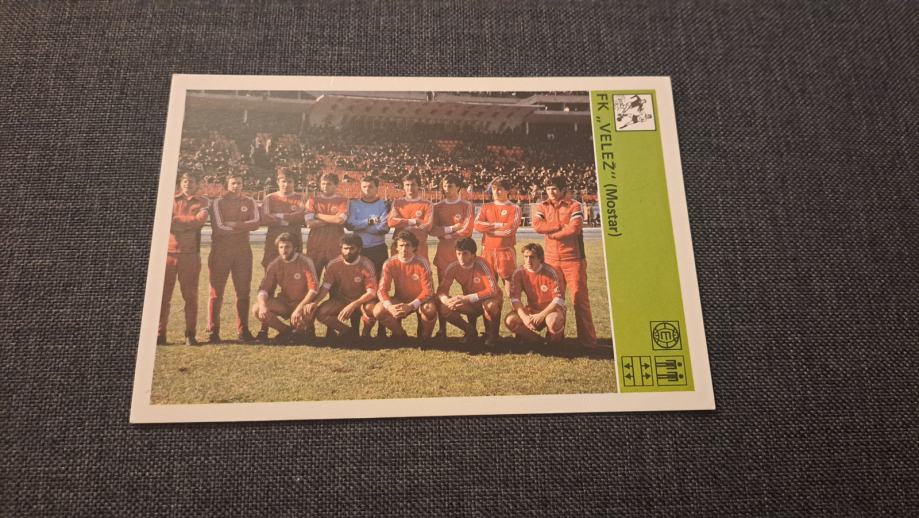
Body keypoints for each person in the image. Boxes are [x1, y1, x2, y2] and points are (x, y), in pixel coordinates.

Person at [531, 176, 598, 346]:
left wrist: (552, 234)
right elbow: (537, 225)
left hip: (573, 259)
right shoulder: (543, 206)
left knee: (579, 300)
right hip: (551, 260)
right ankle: (555, 337)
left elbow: (574, 228)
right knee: (553, 299)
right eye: (548, 189)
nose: (551, 192)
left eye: (554, 189)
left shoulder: (574, 205)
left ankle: (588, 341)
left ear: (563, 190)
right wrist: (558, 226)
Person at [207, 173, 261, 343]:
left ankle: (243, 330)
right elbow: (219, 227)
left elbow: (256, 223)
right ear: (227, 185)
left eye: (239, 183)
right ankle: (213, 330)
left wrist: (236, 224)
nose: (236, 186)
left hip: (242, 251)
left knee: (243, 292)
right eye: (233, 183)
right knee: (216, 292)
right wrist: (243, 228)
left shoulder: (249, 201)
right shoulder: (218, 202)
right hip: (221, 251)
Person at [159, 172, 208, 346]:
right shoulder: (170, 200)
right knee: (163, 296)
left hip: (190, 255)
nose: (188, 184)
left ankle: (190, 334)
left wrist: (177, 221)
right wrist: (188, 223)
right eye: (185, 181)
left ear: (197, 184)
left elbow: (199, 221)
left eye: (191, 181)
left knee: (190, 296)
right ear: (181, 183)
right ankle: (160, 334)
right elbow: (165, 222)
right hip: (169, 253)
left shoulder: (202, 202)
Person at [256, 170, 306, 341]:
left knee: (297, 285)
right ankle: (264, 327)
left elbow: (301, 217)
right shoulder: (269, 198)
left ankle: (299, 327)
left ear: (294, 183)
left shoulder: (300, 198)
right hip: (273, 247)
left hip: (294, 247)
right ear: (278, 182)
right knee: (268, 285)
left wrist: (278, 217)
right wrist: (288, 219)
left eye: (289, 181)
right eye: (283, 181)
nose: (286, 184)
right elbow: (264, 218)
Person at [429, 174, 475, 336]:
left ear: (458, 188)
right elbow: (432, 230)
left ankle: (471, 329)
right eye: (444, 186)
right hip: (444, 254)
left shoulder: (467, 205)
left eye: (450, 186)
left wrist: (447, 235)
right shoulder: (437, 206)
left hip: (464, 255)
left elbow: (467, 229)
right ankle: (442, 329)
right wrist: (452, 229)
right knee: (443, 291)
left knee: (469, 291)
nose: (446, 189)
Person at [253, 233, 320, 343]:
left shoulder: (305, 261)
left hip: (302, 304)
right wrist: (263, 305)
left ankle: (304, 330)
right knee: (257, 309)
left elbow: (313, 289)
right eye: (281, 247)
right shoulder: (275, 264)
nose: (284, 250)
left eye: (287, 247)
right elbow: (264, 289)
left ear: (295, 248)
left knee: (303, 336)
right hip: (284, 303)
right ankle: (287, 331)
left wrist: (299, 309)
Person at [436, 238, 502, 347]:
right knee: (445, 308)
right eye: (458, 253)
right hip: (471, 303)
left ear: (473, 254)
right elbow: (441, 290)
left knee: (489, 305)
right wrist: (446, 300)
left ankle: (492, 335)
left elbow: (493, 290)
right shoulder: (453, 266)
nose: (461, 257)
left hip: (490, 299)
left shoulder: (482, 264)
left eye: (465, 253)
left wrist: (466, 298)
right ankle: (470, 331)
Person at [373, 231, 438, 339]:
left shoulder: (422, 262)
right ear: (396, 247)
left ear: (414, 247)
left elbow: (428, 290)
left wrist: (411, 306)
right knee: (378, 310)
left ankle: (425, 338)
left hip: (421, 301)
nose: (404, 249)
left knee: (429, 309)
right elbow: (382, 290)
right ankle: (400, 334)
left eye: (407, 245)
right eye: (401, 245)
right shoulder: (389, 263)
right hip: (401, 299)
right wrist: (390, 307)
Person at [315, 234, 378, 338]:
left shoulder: (367, 264)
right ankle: (348, 332)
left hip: (363, 301)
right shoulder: (333, 264)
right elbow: (325, 287)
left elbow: (371, 292)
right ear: (341, 249)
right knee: (322, 313)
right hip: (343, 300)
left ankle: (365, 334)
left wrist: (353, 305)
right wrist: (315, 302)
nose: (348, 252)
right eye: (345, 248)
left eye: (352, 248)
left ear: (359, 249)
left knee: (371, 309)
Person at [505, 244, 566, 343]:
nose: (528, 260)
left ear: (540, 258)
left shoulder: (551, 272)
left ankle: (555, 344)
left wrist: (541, 315)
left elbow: (559, 300)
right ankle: (537, 341)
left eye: (532, 257)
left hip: (552, 311)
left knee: (553, 321)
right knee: (510, 320)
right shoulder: (519, 272)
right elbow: (515, 299)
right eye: (526, 257)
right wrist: (524, 317)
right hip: (532, 310)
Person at [473, 177, 522, 286]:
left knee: (509, 283)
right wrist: (498, 225)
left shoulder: (515, 208)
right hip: (487, 251)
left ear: (507, 190)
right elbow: (477, 225)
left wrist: (489, 231)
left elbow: (509, 230)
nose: (496, 192)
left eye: (499, 189)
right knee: (489, 284)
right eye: (494, 189)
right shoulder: (486, 207)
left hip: (505, 251)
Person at [304, 172, 349, 279]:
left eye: (329, 184)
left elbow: (339, 220)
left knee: (335, 280)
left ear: (336, 185)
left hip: (335, 246)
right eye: (323, 183)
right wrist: (332, 219)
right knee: (312, 279)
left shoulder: (343, 201)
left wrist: (317, 215)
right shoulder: (312, 200)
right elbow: (310, 223)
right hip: (315, 246)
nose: (325, 186)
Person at [345, 176, 390, 279]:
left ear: (377, 188)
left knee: (378, 279)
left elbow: (382, 228)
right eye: (364, 187)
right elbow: (350, 225)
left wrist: (359, 226)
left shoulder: (384, 204)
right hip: (358, 248)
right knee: (358, 279)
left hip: (378, 248)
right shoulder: (354, 204)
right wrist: (369, 221)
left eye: (370, 187)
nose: (367, 189)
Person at [387, 173, 433, 262]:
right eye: (407, 185)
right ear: (403, 186)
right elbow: (391, 222)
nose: (410, 187)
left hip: (419, 247)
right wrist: (414, 221)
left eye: (413, 184)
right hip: (400, 247)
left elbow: (428, 226)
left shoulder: (427, 204)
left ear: (418, 186)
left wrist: (401, 222)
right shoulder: (397, 203)